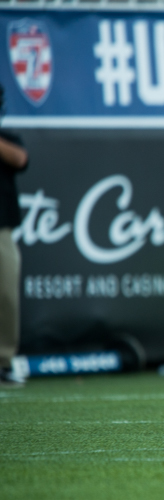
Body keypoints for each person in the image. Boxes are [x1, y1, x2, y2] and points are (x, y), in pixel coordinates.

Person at [0, 84, 29, 388]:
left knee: (5, 293)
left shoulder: (8, 139)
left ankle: (3, 362)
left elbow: (20, 159)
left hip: (1, 226)